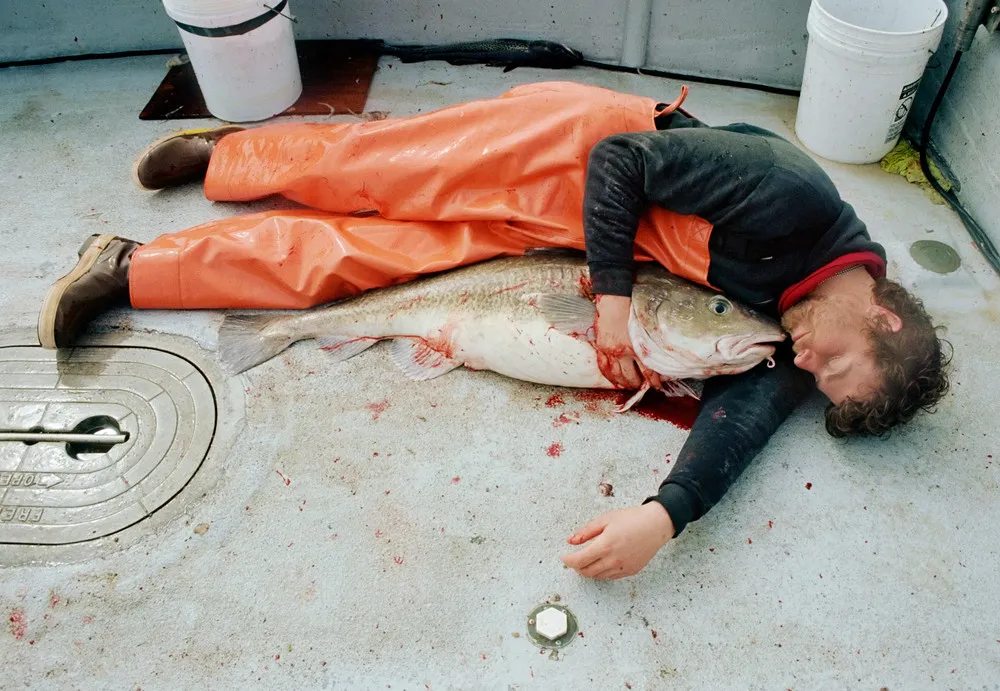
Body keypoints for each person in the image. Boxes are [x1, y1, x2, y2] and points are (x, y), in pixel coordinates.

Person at [36, 81, 950, 579]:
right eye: (830, 362)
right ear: (879, 310)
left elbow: (741, 425)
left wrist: (661, 518)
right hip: (577, 159)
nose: (803, 365)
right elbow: (620, 163)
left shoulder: (792, 337)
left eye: (817, 381)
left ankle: (129, 267)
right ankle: (228, 151)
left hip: (569, 257)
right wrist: (617, 304)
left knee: (368, 262)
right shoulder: (795, 195)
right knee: (385, 169)